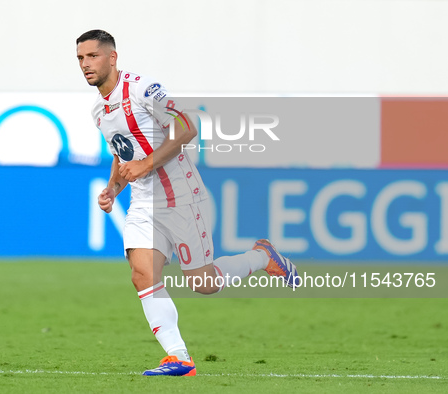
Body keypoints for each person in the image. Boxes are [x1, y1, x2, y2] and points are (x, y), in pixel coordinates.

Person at [76, 30, 300, 377]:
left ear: (112, 57)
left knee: (203, 283)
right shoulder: (98, 111)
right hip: (142, 202)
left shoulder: (142, 89)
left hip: (181, 196)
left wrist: (146, 165)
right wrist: (112, 189)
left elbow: (187, 126)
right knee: (141, 274)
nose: (86, 64)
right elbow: (123, 154)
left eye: (92, 56)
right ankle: (179, 357)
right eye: (80, 58)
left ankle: (262, 256)